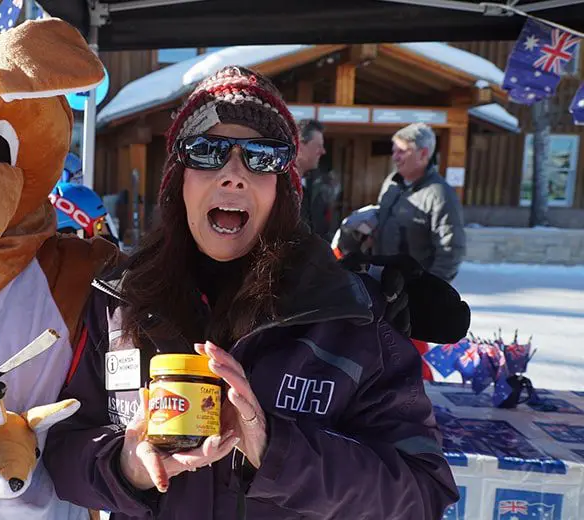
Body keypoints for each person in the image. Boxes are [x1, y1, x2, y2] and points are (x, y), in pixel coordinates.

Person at [43, 67, 459, 519]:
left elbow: (423, 494)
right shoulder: (120, 302)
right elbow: (61, 450)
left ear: (282, 189)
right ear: (178, 181)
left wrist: (275, 450)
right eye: (207, 151)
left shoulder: (351, 316)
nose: (234, 175)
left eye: (262, 156)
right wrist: (125, 466)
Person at [374, 123, 466, 283]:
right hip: (385, 284)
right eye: (394, 151)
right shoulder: (391, 184)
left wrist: (429, 289)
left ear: (423, 154)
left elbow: (451, 251)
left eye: (401, 151)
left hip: (414, 290)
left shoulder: (440, 194)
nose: (395, 157)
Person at [295, 119, 335, 240]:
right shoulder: (276, 188)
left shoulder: (318, 184)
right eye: (318, 146)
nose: (323, 151)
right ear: (300, 147)